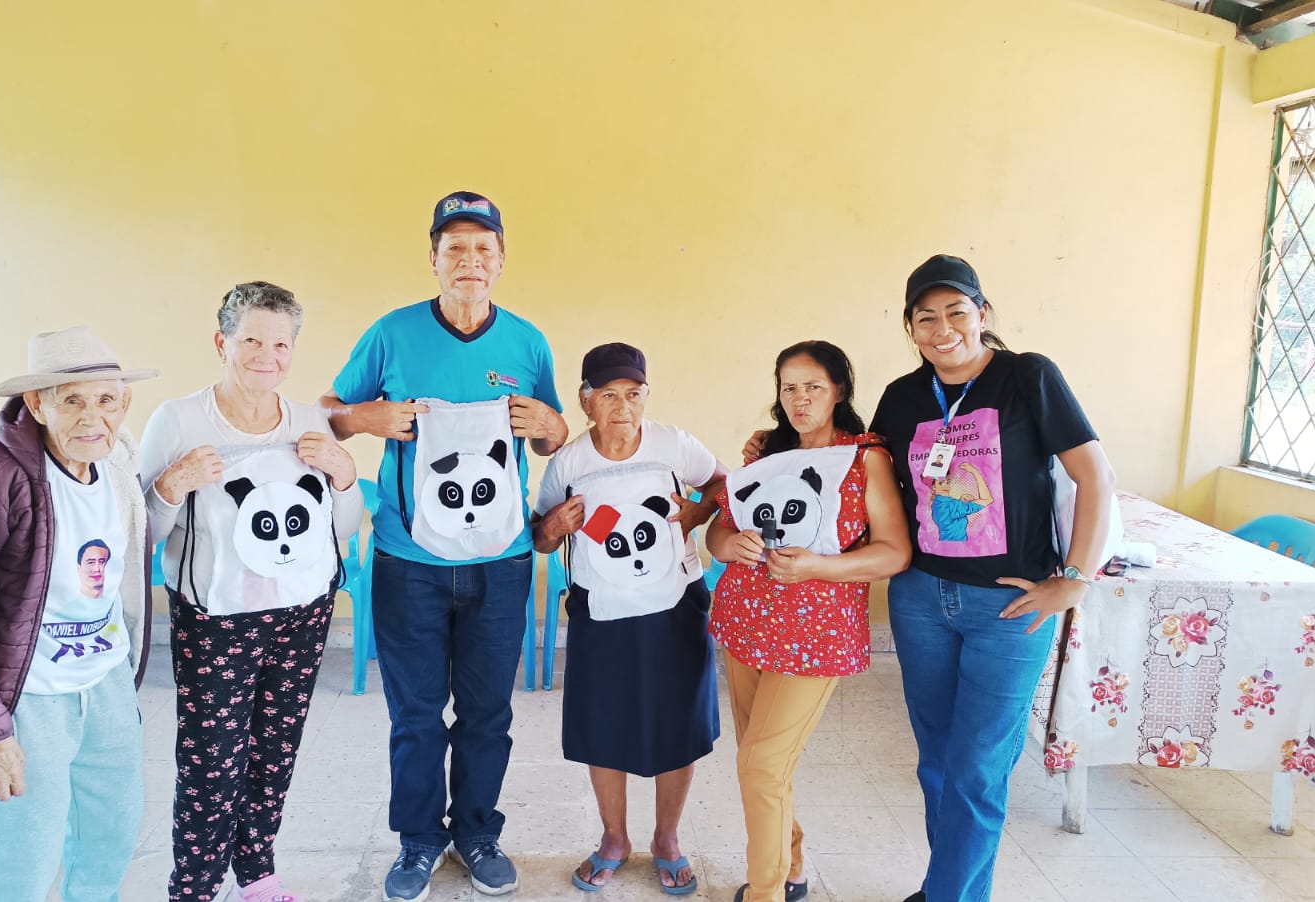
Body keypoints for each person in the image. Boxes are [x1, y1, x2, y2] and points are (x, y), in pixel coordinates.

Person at [320, 191, 566, 901]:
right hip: (409, 562)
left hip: (502, 563)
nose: (469, 260)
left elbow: (552, 437)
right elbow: (329, 413)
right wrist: (364, 416)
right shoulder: (391, 335)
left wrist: (551, 424)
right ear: (433, 259)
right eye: (454, 247)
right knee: (416, 714)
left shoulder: (527, 343)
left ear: (501, 261)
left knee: (489, 713)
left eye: (483, 248)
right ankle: (419, 840)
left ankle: (478, 833)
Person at [869, 255, 1115, 902]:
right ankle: (950, 889)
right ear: (910, 327)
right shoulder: (900, 398)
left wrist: (1075, 578)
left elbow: (1095, 476)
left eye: (956, 311)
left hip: (1010, 607)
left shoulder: (1027, 376)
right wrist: (775, 444)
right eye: (926, 317)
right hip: (921, 598)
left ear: (982, 313)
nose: (942, 328)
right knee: (936, 761)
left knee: (977, 767)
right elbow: (861, 476)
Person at [140, 282, 364, 902]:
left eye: (281, 344)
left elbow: (340, 528)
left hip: (302, 614)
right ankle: (194, 886)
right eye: (252, 341)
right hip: (216, 619)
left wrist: (345, 476)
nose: (267, 356)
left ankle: (257, 872)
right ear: (222, 343)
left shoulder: (309, 421)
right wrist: (170, 486)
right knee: (212, 760)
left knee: (274, 752)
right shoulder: (177, 420)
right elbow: (139, 533)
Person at [0, 326, 158, 901]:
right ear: (36, 403)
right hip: (33, 693)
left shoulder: (117, 467)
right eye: (71, 400)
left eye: (105, 400)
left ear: (124, 403)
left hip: (106, 682)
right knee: (25, 857)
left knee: (110, 839)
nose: (91, 417)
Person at [709, 341, 911, 902]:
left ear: (839, 390)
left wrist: (818, 567)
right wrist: (730, 545)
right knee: (761, 762)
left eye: (813, 387)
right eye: (789, 388)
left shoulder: (864, 459)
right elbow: (718, 531)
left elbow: (895, 552)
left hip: (815, 637)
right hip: (745, 624)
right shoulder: (768, 456)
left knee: (761, 764)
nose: (800, 400)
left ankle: (766, 891)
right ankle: (792, 862)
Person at [531, 343, 728, 896]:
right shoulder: (568, 462)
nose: (623, 407)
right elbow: (540, 538)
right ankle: (614, 839)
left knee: (679, 724)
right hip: (602, 611)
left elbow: (723, 483)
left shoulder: (673, 444)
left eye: (634, 394)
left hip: (675, 606)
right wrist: (554, 527)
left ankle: (667, 839)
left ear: (646, 396)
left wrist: (698, 511)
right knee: (603, 725)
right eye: (609, 395)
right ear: (586, 401)